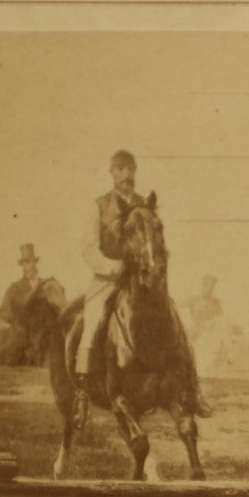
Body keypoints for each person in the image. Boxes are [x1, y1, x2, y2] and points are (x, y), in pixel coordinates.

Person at [73, 149, 211, 429]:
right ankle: (82, 393)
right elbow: (88, 250)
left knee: (179, 323)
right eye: (120, 169)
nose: (126, 175)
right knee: (91, 322)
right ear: (112, 172)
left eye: (130, 169)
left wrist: (155, 264)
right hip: (109, 279)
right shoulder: (98, 206)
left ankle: (194, 390)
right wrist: (114, 267)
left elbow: (156, 243)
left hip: (143, 282)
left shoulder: (144, 205)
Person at [0, 243, 59, 365]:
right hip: (22, 334)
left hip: (43, 335)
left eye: (33, 262)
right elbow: (3, 312)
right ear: (22, 265)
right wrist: (18, 321)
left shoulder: (45, 285)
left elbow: (57, 307)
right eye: (27, 262)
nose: (31, 265)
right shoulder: (15, 288)